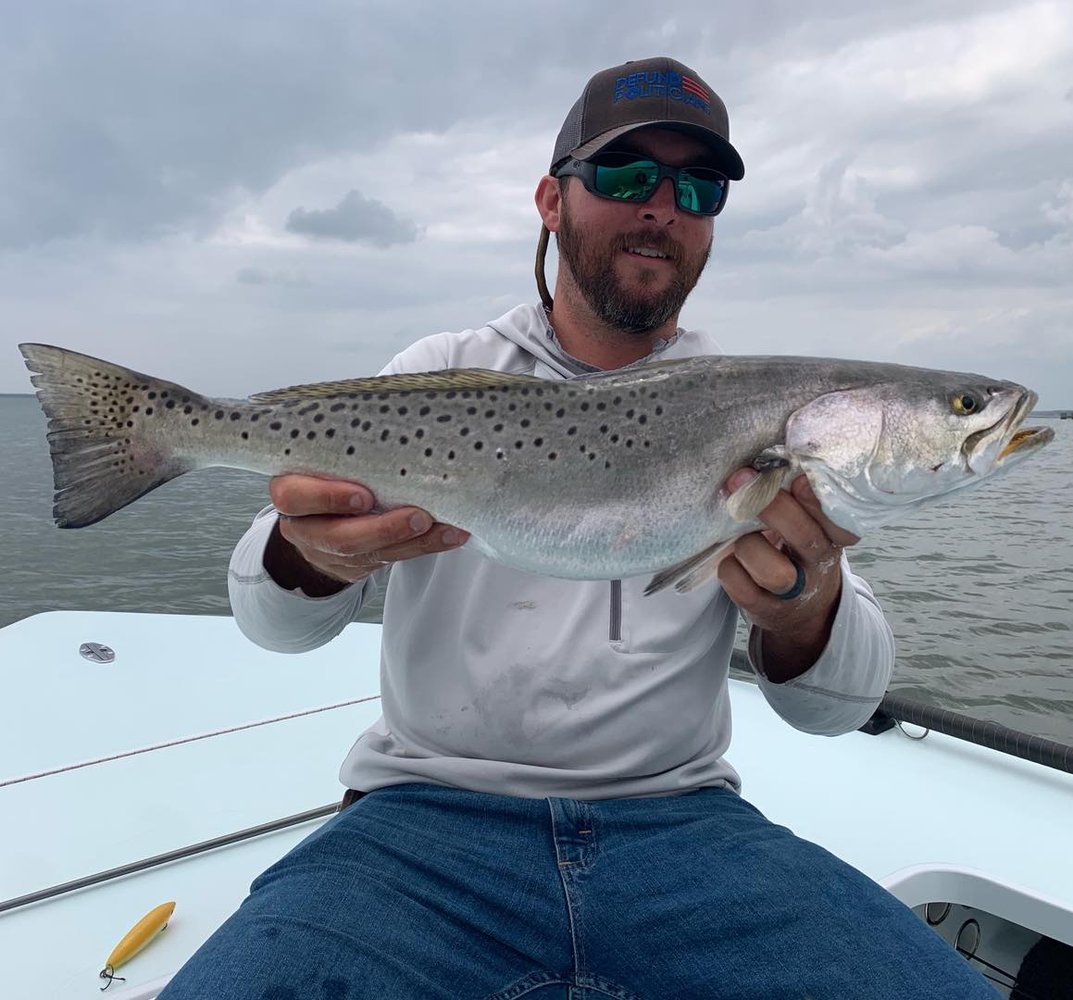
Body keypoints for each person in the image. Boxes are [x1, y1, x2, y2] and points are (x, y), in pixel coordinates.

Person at [160, 57, 998, 999]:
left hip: (683, 830)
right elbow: (273, 627)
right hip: (419, 827)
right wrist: (305, 554)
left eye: (697, 187)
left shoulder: (754, 402)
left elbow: (837, 711)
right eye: (625, 174)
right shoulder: (443, 369)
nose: (661, 206)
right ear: (551, 201)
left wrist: (806, 610)